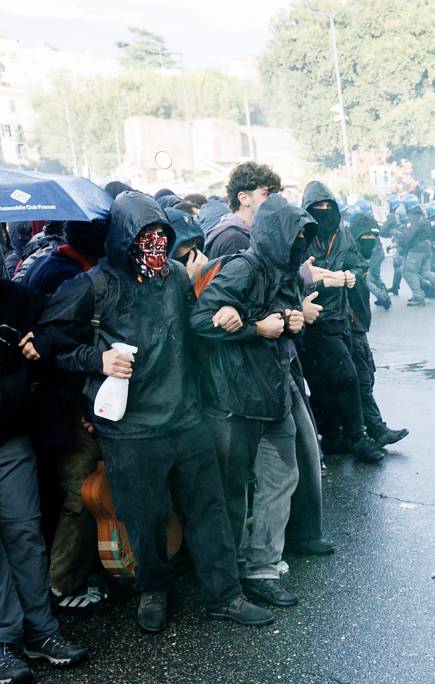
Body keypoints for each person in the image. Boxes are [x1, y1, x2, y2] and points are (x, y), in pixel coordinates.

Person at [27, 191, 275, 632]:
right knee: (144, 519)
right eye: (146, 237)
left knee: (210, 510)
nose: (155, 245)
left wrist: (227, 314)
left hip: (186, 417)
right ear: (124, 239)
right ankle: (153, 589)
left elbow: (195, 330)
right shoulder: (95, 285)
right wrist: (95, 360)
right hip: (131, 430)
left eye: (161, 235)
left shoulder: (176, 276)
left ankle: (225, 594)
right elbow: (49, 341)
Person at [190, 194, 316, 609]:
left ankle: (261, 568)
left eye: (304, 235)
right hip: (233, 402)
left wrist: (294, 321)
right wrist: (252, 328)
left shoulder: (288, 272)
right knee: (229, 496)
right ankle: (225, 584)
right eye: (294, 233)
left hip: (275, 395)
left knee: (281, 482)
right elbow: (200, 321)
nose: (299, 241)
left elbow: (283, 323)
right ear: (275, 232)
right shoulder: (242, 266)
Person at [1, 276, 87, 684]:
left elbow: (66, 309)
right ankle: (4, 640)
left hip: (9, 436)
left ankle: (39, 630)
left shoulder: (10, 295)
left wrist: (46, 338)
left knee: (25, 534)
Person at [21, 218, 110, 613]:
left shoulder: (54, 265)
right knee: (81, 494)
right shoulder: (68, 277)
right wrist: (85, 405)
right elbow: (55, 346)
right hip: (65, 405)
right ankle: (61, 584)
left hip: (56, 403)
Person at [299, 181, 384, 464]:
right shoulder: (302, 237)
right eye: (317, 208)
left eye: (327, 207)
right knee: (337, 379)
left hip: (340, 318)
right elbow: (295, 277)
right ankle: (352, 436)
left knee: (342, 378)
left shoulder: (344, 235)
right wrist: (324, 280)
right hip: (312, 321)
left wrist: (351, 275)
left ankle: (339, 435)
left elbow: (359, 264)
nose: (323, 212)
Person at [346, 213, 409, 450]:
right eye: (365, 236)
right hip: (350, 328)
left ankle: (369, 428)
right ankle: (374, 429)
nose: (370, 240)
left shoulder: (360, 258)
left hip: (359, 327)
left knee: (366, 376)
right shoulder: (347, 259)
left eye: (373, 236)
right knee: (362, 379)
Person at [205, 161, 284, 258]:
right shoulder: (235, 240)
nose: (274, 200)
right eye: (266, 194)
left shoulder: (242, 233)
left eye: (275, 194)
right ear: (244, 198)